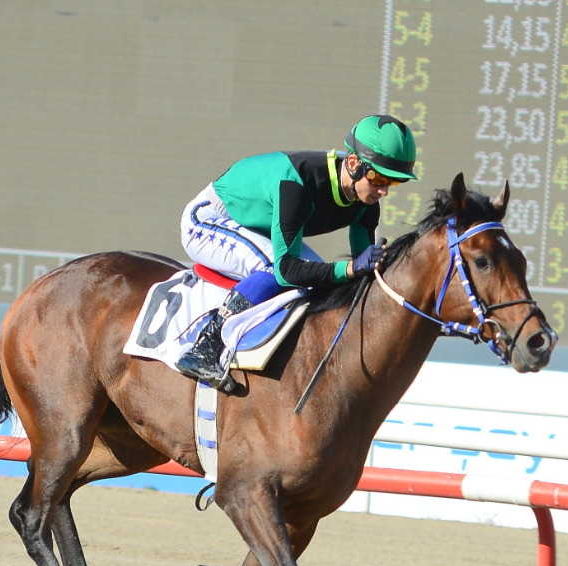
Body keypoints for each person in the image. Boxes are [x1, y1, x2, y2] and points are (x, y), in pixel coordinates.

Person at [174, 114, 417, 386]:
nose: (384, 191)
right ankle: (206, 346)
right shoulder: (298, 185)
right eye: (379, 178)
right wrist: (350, 268)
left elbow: (362, 275)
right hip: (208, 220)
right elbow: (287, 270)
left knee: (319, 284)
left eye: (393, 182)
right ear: (353, 163)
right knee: (277, 269)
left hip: (258, 227)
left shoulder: (366, 200)